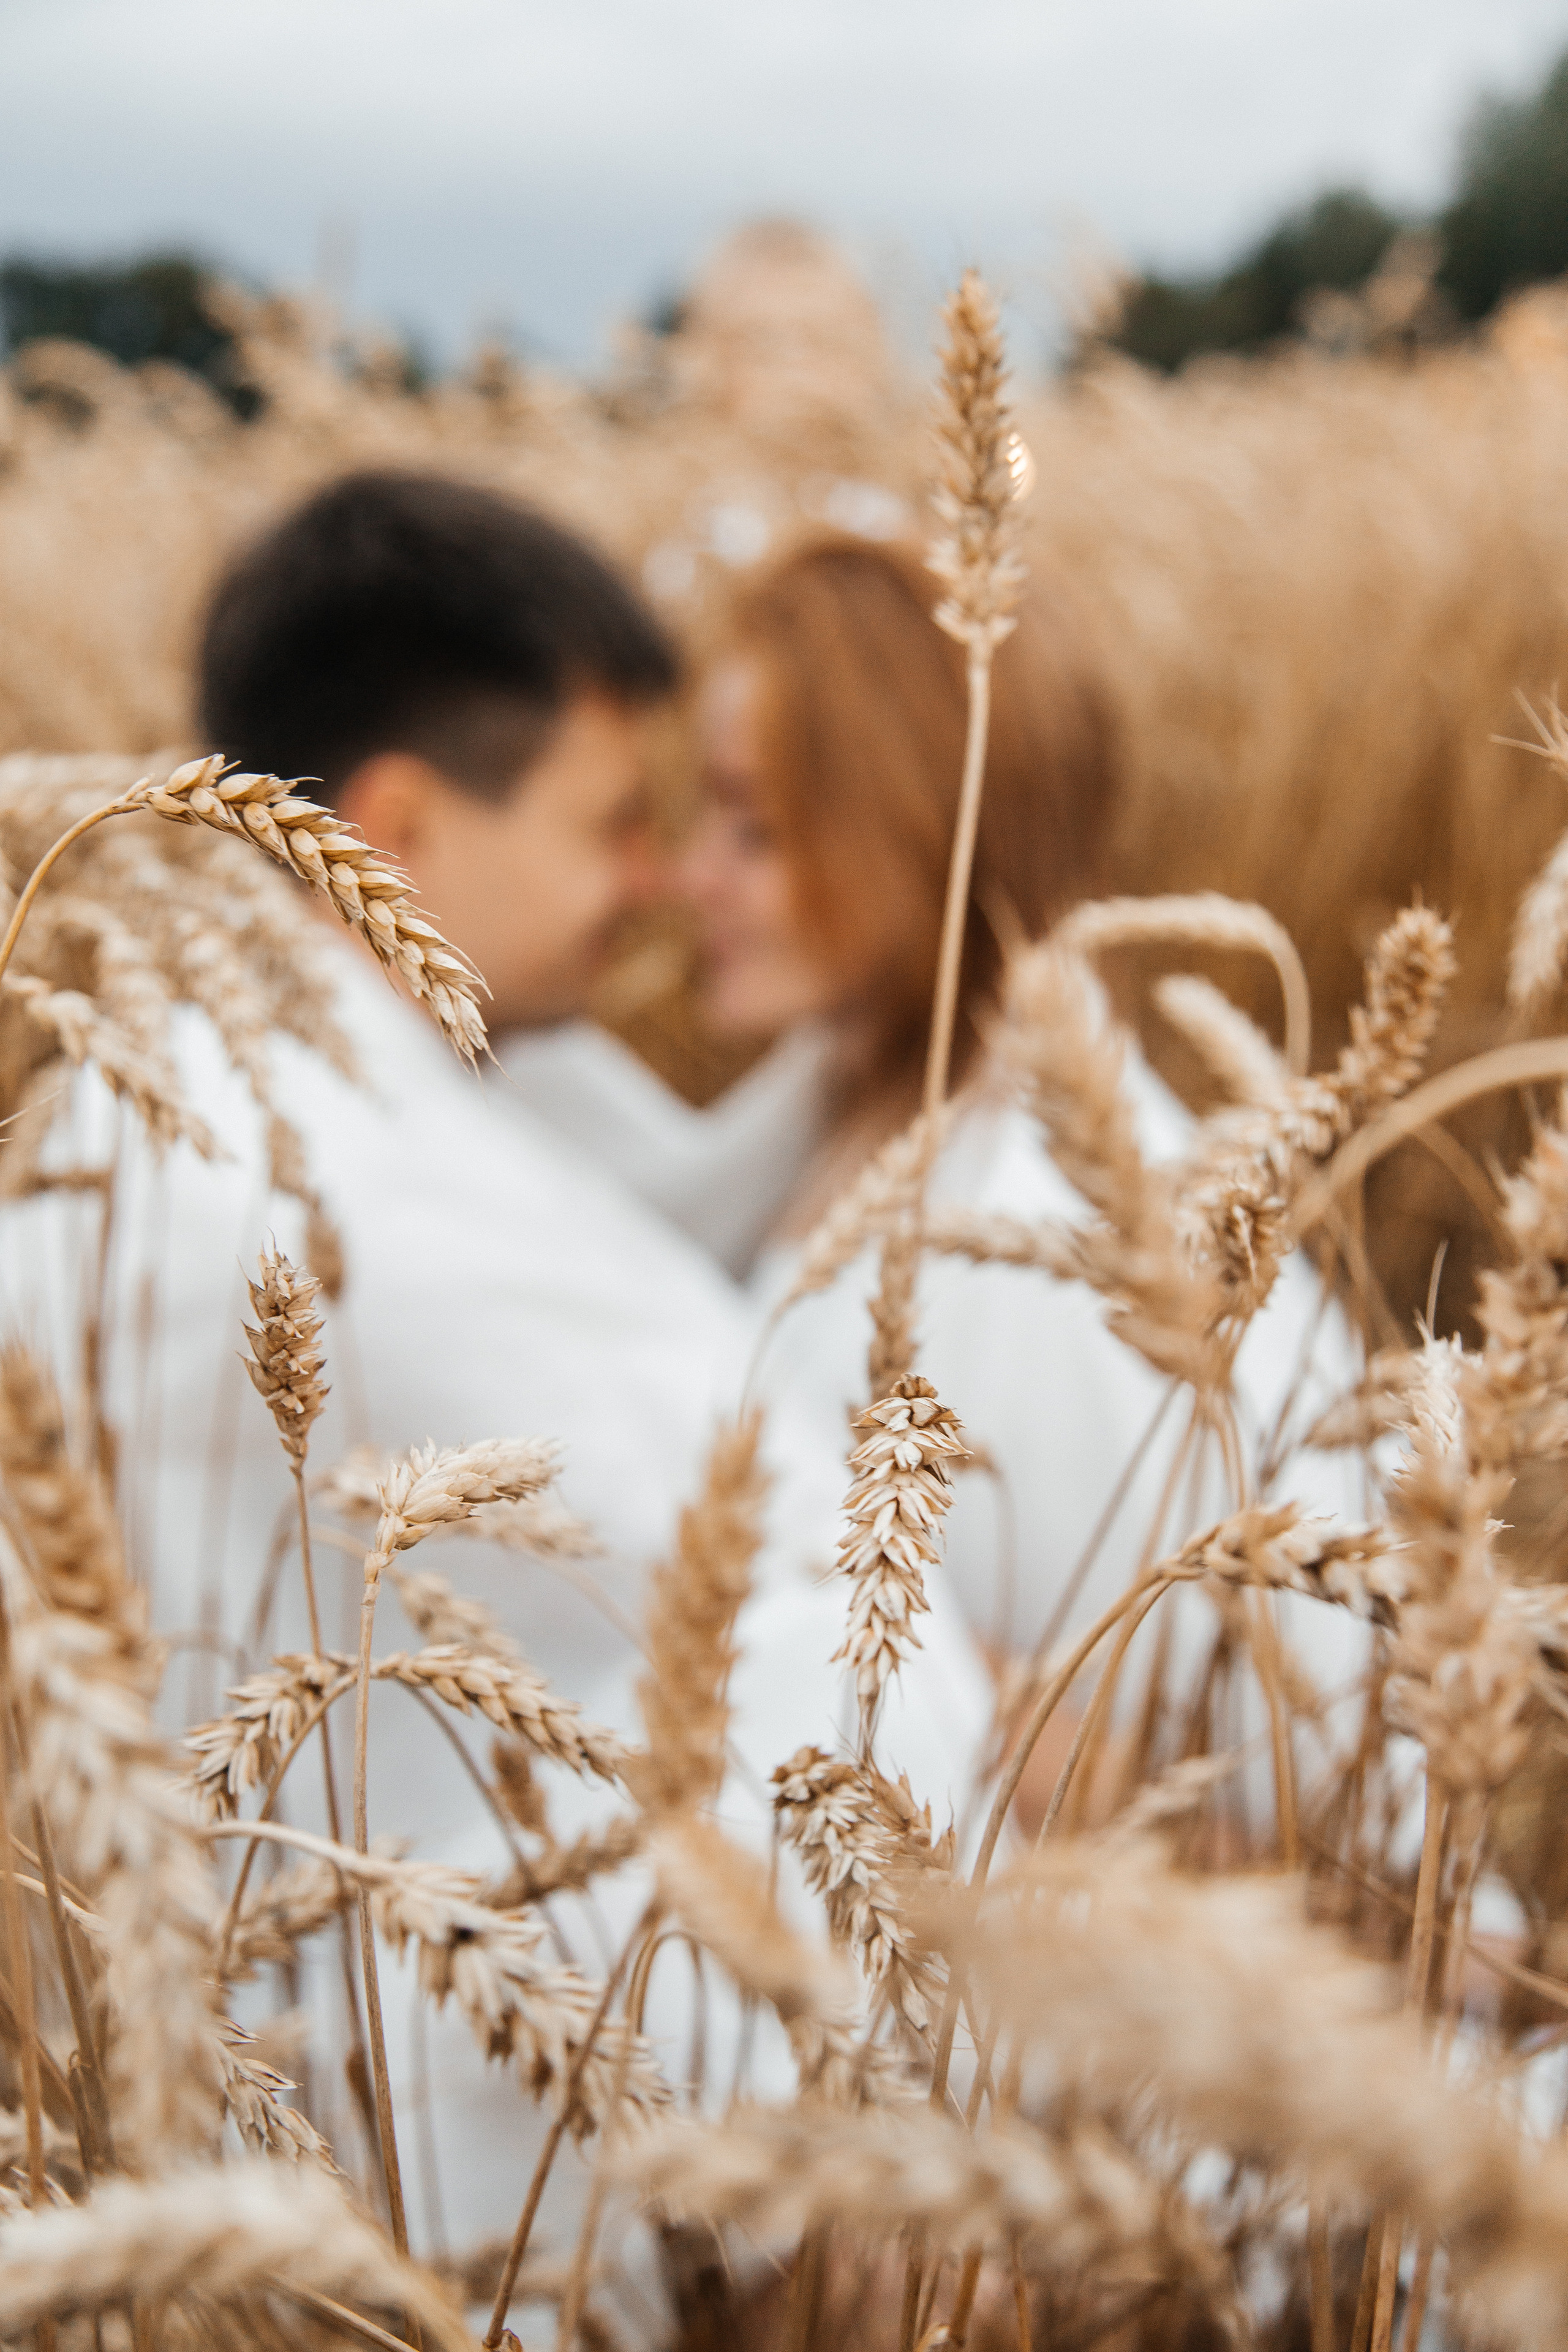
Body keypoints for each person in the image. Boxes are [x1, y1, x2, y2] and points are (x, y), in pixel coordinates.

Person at [4, 478, 993, 2328]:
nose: (654, 882)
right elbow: (796, 1572)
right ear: (397, 828)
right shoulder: (346, 1209)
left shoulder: (197, 1107)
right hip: (399, 2210)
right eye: (617, 824)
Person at [665, 535, 1366, 1782]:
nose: (689, 875)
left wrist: (927, 1684)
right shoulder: (846, 1099)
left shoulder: (1052, 1251)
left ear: (917, 838)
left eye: (754, 829)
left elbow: (1271, 1813)